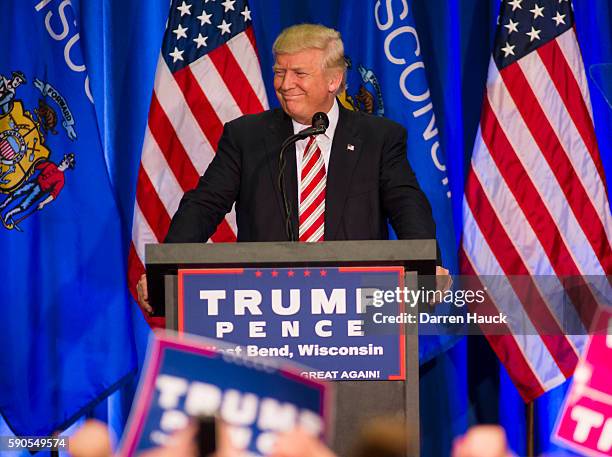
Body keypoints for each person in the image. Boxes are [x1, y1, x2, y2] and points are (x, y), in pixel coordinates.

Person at [137, 24, 446, 314]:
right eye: (279, 72)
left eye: (299, 73)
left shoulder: (378, 138)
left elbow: (407, 205)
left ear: (333, 80)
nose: (285, 85)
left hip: (355, 307)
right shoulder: (247, 136)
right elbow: (205, 204)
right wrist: (166, 269)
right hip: (265, 306)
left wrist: (426, 265)